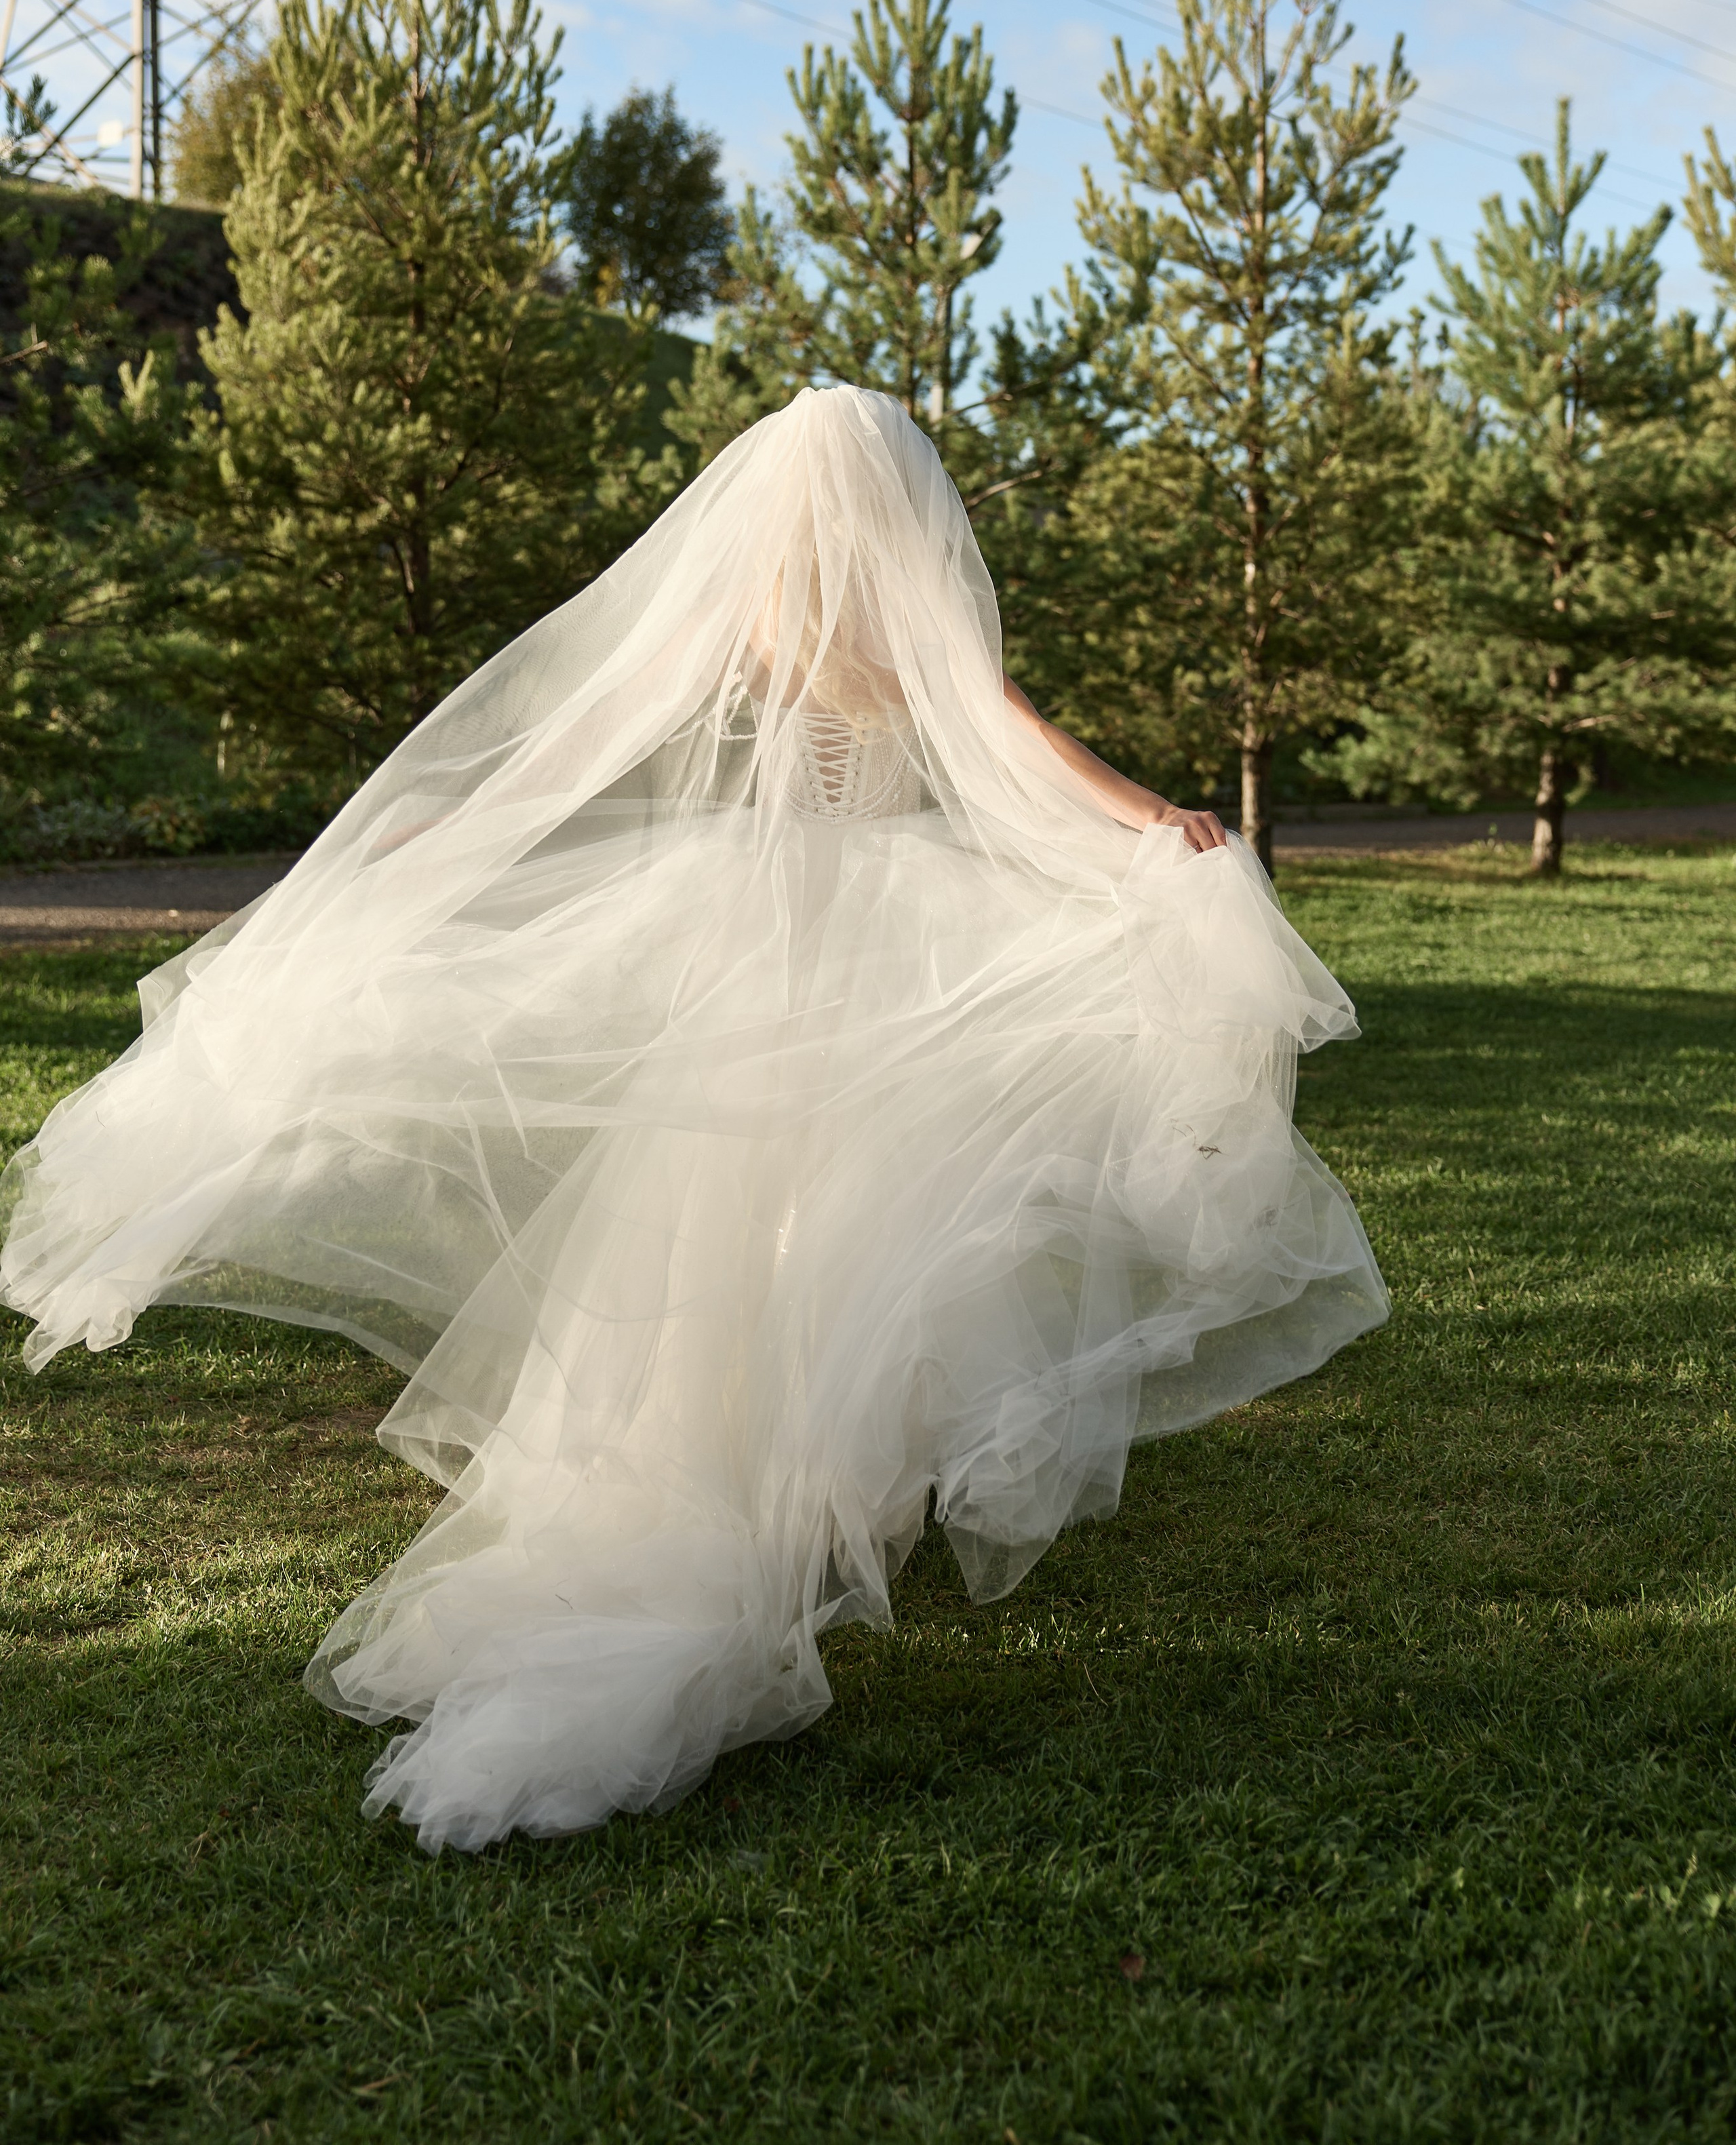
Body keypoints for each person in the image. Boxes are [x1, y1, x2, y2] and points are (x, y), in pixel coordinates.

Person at [0, 387, 1385, 1851]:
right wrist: (1144, 817)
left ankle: (763, 1496)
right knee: (832, 1231)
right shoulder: (889, 631)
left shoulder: (761, 625)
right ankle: (748, 1523)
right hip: (855, 955)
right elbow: (1001, 730)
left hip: (758, 941)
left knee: (738, 1237)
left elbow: (586, 732)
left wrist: (455, 828)